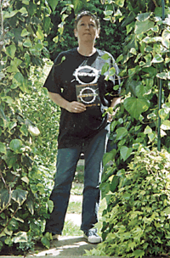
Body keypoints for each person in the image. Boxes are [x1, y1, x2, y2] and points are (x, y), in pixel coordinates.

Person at [43, 10, 121, 244]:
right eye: (83, 25)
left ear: (98, 32)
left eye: (92, 25)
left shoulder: (106, 60)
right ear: (75, 31)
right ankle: (54, 229)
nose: (88, 28)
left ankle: (90, 228)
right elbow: (51, 91)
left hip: (98, 128)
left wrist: (111, 111)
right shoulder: (64, 59)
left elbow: (116, 94)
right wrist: (67, 105)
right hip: (70, 129)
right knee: (62, 179)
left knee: (92, 180)